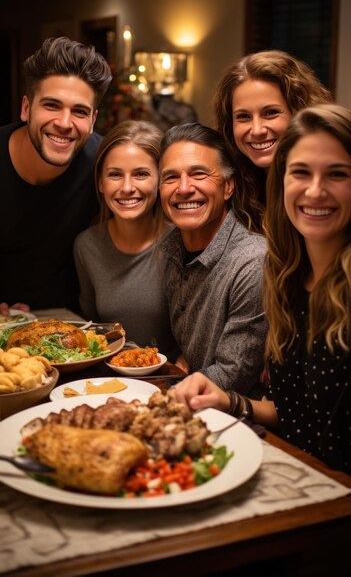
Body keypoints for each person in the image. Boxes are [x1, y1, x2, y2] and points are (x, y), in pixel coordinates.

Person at [172, 104, 351, 474]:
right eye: (300, 172)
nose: (315, 191)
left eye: (337, 174)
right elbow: (295, 413)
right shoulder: (288, 280)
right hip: (293, 468)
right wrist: (230, 401)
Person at [0, 36, 112, 315]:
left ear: (93, 121)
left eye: (79, 111)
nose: (64, 123)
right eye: (51, 105)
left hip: (72, 328)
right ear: (26, 108)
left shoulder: (106, 166)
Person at [158, 122, 267, 397]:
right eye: (170, 178)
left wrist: (162, 393)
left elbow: (234, 374)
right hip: (188, 397)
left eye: (198, 174)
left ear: (228, 186)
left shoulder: (251, 261)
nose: (183, 188)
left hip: (236, 422)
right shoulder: (169, 248)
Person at [74, 120, 178, 359]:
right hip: (111, 377)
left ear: (161, 180)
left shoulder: (182, 241)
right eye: (115, 175)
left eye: (141, 174)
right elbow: (94, 330)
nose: (127, 187)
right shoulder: (86, 246)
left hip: (174, 379)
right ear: (100, 183)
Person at [214, 49, 333, 233]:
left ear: (298, 112)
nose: (257, 130)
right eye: (243, 116)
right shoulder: (232, 187)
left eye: (270, 113)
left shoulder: (328, 186)